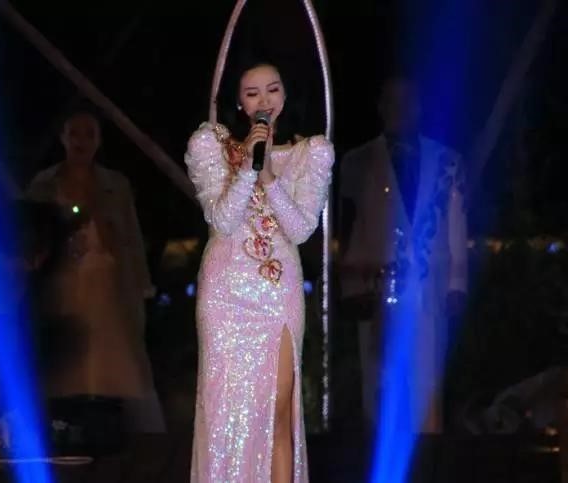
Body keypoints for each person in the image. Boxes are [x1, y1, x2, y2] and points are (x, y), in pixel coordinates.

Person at [185, 59, 334, 483]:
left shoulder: (312, 152)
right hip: (225, 293)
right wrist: (249, 167)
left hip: (277, 294)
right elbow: (223, 220)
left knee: (278, 411)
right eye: (252, 93)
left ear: (286, 94)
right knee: (223, 411)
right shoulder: (210, 145)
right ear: (239, 101)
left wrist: (269, 177)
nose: (264, 101)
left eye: (273, 89)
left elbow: (301, 229)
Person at [339, 74, 468, 434]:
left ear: (420, 107)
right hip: (376, 290)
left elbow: (457, 225)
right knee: (379, 384)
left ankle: (428, 452)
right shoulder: (357, 162)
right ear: (381, 107)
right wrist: (351, 288)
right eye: (392, 101)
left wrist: (457, 284)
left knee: (428, 382)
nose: (400, 109)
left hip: (430, 290)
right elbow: (349, 228)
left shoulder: (448, 162)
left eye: (408, 101)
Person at [26, 105, 165, 433]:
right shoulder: (44, 184)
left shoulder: (115, 184)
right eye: (74, 133)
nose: (81, 141)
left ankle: (124, 436)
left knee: (116, 366)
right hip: (61, 287)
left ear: (99, 141)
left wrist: (141, 285)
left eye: (89, 134)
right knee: (65, 365)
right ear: (63, 138)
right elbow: (31, 235)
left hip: (108, 287)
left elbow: (130, 238)